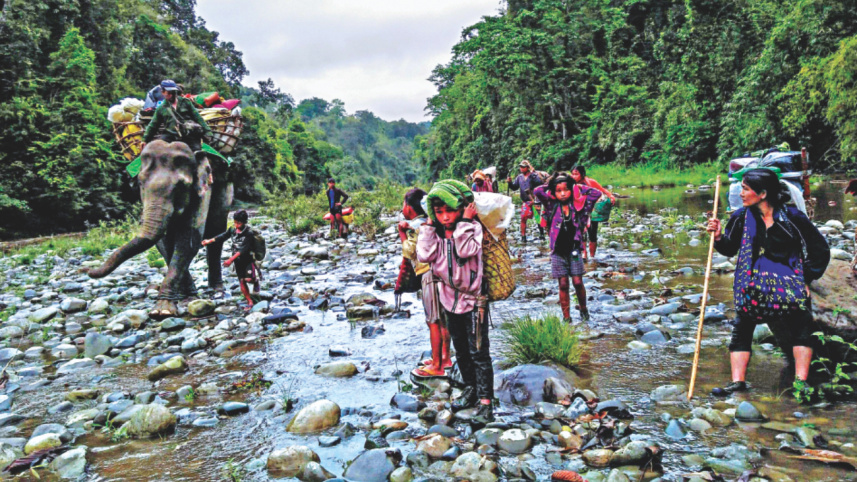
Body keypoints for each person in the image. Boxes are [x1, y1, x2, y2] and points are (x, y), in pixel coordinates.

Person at [706, 169, 830, 398]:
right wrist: (719, 237)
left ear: (762, 193)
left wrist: (805, 278)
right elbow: (730, 249)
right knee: (742, 329)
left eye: (745, 189)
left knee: (803, 326)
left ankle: (800, 382)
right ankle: (738, 382)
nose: (741, 193)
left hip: (788, 284)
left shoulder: (793, 218)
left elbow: (820, 250)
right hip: (750, 284)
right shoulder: (741, 217)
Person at [417, 180, 493, 423]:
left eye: (450, 211)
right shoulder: (436, 234)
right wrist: (429, 226)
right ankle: (470, 389)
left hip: (474, 302)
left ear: (462, 209)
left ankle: (486, 402)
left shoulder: (472, 228)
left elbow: (464, 251)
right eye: (439, 212)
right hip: (449, 299)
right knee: (460, 349)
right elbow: (424, 255)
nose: (445, 217)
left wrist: (464, 223)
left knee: (479, 352)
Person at [398, 188, 453, 377]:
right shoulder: (432, 221)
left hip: (428, 274)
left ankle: (437, 366)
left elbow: (410, 252)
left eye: (403, 204)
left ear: (409, 206)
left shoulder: (414, 226)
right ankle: (445, 358)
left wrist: (402, 233)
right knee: (443, 319)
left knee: (433, 321)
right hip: (442, 272)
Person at [534, 173, 602, 322]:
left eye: (566, 189)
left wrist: (577, 186)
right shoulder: (551, 205)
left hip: (574, 249)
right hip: (557, 251)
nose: (563, 193)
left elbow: (596, 193)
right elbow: (537, 191)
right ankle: (567, 318)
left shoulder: (579, 206)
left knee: (577, 282)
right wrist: (550, 184)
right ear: (554, 192)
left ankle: (584, 310)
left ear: (571, 190)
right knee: (563, 284)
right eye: (558, 191)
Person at [202, 210, 261, 311]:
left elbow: (243, 249)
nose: (236, 225)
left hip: (247, 259)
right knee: (242, 281)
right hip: (238, 261)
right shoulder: (232, 230)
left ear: (244, 222)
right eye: (235, 222)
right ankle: (249, 302)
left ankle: (255, 281)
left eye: (239, 223)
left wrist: (230, 260)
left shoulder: (248, 233)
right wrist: (209, 241)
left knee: (248, 279)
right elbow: (223, 236)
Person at [142, 80, 211, 153]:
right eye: (169, 93)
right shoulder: (161, 108)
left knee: (197, 153)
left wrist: (208, 132)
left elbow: (198, 118)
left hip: (188, 135)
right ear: (163, 92)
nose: (171, 95)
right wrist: (144, 140)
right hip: (171, 135)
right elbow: (153, 125)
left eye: (173, 92)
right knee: (158, 152)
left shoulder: (186, 102)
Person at [570, 165, 617, 258]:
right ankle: (584, 254)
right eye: (572, 174)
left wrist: (611, 196)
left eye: (576, 174)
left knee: (592, 234)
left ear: (582, 174)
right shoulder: (570, 184)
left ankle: (592, 256)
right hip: (578, 212)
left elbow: (602, 190)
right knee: (581, 233)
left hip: (591, 211)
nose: (574, 176)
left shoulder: (590, 182)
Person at [507, 160, 545, 244]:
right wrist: (510, 183)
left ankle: (542, 235)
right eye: (521, 167)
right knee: (523, 218)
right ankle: (523, 237)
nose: (521, 168)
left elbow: (539, 186)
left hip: (535, 200)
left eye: (523, 167)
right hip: (525, 201)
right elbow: (514, 187)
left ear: (527, 168)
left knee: (538, 218)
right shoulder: (519, 177)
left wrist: (535, 199)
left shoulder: (533, 176)